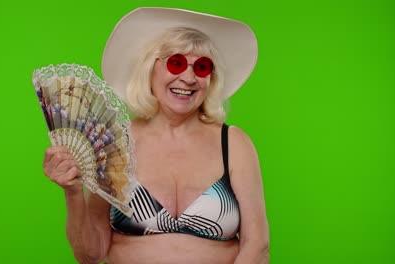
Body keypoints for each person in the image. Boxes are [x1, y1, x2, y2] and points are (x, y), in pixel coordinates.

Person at [42, 7, 269, 264]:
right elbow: (90, 254)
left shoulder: (234, 143)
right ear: (150, 69)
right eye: (176, 63)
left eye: (202, 67)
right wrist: (72, 193)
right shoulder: (114, 144)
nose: (189, 78)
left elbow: (257, 245)